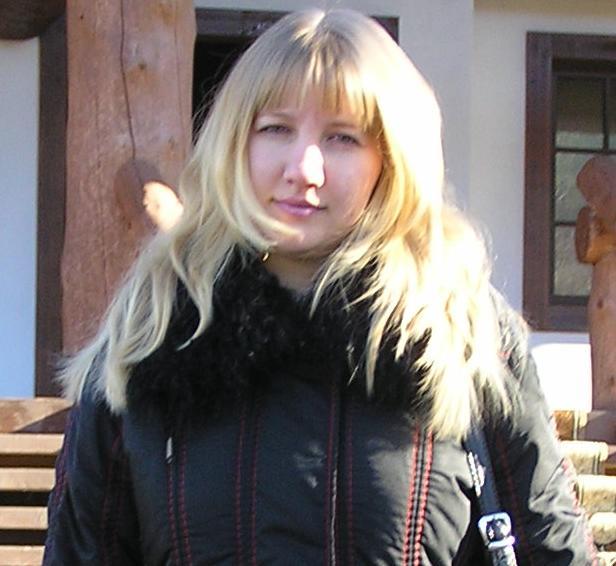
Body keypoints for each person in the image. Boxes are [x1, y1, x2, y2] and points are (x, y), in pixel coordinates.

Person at [43, 8, 596, 565]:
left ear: (391, 158)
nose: (304, 168)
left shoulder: (462, 334)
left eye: (342, 138)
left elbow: (552, 549)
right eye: (275, 129)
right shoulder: (151, 333)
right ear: (234, 142)